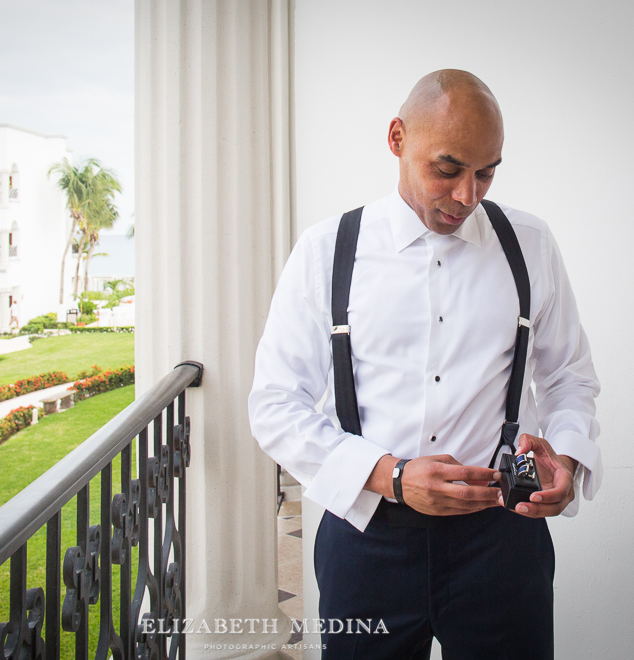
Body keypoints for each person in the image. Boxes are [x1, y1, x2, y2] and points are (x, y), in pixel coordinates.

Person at [248, 70, 601, 659]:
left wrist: (565, 455)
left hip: (504, 541)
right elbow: (274, 405)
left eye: (486, 171)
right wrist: (389, 474)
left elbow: (568, 375)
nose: (469, 194)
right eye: (448, 168)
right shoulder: (326, 250)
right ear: (397, 138)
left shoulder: (530, 244)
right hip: (366, 543)